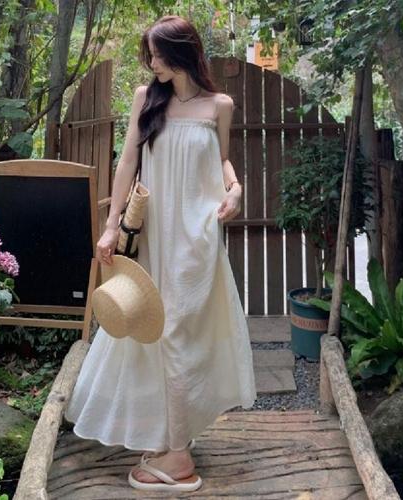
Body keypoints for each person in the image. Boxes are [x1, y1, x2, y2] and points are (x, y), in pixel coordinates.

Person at [64, 14, 257, 493]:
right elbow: (128, 161)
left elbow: (222, 160)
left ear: (181, 52)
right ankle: (174, 443)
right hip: (153, 237)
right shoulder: (147, 99)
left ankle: (178, 455)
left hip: (197, 239)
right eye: (149, 56)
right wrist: (111, 226)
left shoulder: (219, 105)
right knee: (156, 336)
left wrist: (236, 188)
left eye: (157, 55)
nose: (151, 64)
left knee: (178, 336)